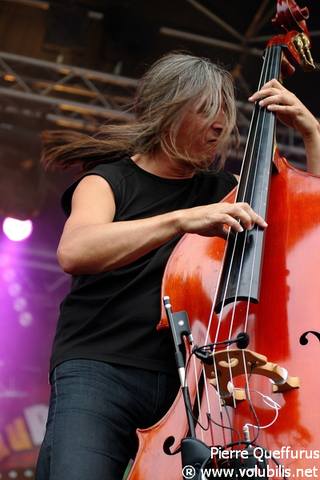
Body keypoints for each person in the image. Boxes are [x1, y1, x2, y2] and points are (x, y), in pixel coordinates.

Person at [35, 52, 320, 480]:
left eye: (225, 109)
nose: (222, 123)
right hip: (100, 370)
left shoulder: (225, 192)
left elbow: (309, 225)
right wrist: (182, 220)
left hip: (191, 385)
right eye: (207, 109)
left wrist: (313, 136)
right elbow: (75, 250)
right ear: (168, 110)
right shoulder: (107, 181)